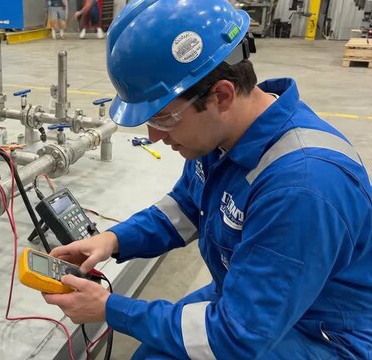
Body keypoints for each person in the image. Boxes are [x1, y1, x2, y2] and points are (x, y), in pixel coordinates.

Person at [42, 0, 372, 358]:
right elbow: (184, 208)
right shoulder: (224, 139)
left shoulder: (303, 189)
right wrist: (113, 240)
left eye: (164, 119)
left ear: (222, 95)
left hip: (323, 335)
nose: (154, 136)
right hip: (256, 295)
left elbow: (236, 338)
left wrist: (109, 309)